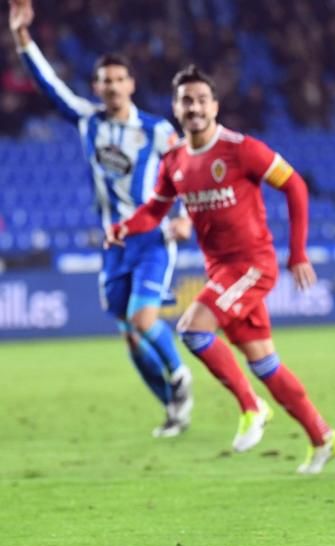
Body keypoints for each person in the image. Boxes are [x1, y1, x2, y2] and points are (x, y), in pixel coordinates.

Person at [112, 65, 335, 474]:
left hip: (252, 265)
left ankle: (251, 407)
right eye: (187, 101)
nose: (195, 107)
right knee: (265, 364)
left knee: (192, 328)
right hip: (221, 271)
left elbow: (294, 185)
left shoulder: (241, 149)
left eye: (202, 100)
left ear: (215, 106)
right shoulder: (174, 161)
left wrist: (298, 252)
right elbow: (154, 209)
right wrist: (124, 227)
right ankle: (322, 435)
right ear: (176, 108)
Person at [9, 0, 194, 437]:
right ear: (95, 86)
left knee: (144, 320)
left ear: (131, 84)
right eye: (104, 80)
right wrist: (22, 37)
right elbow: (48, 84)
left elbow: (185, 174)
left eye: (119, 79)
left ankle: (181, 376)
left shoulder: (157, 129)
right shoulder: (87, 121)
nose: (112, 87)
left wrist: (185, 216)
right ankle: (173, 407)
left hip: (152, 239)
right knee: (130, 337)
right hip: (113, 244)